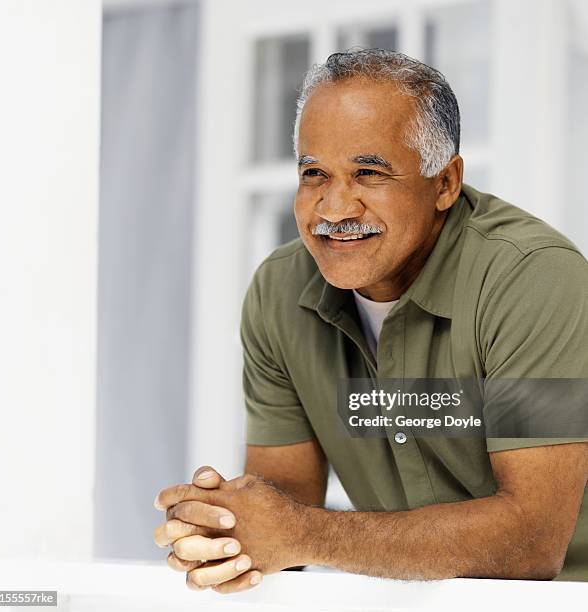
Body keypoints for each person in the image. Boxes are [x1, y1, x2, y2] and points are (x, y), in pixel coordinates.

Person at [153, 49, 588, 592]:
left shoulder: (531, 277)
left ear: (446, 183)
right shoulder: (279, 291)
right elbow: (285, 512)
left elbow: (533, 539)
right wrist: (226, 529)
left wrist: (301, 533)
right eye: (314, 174)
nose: (335, 208)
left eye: (368, 173)